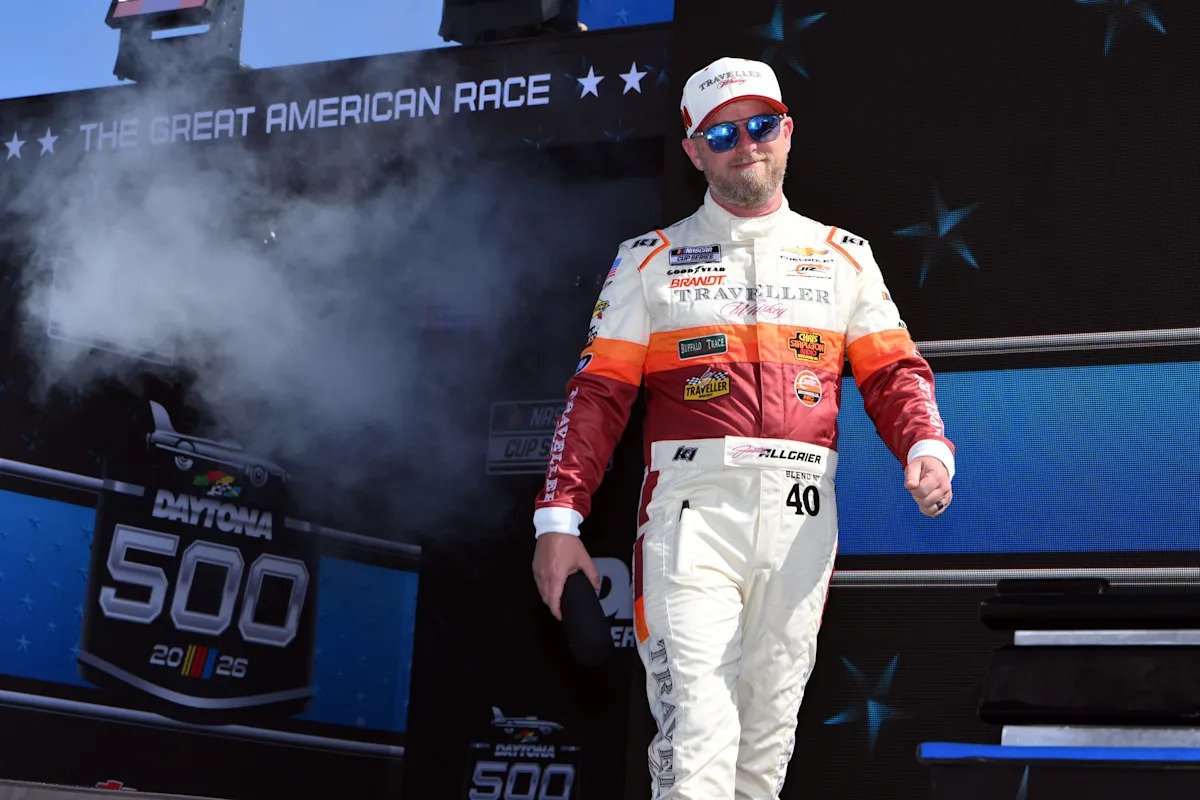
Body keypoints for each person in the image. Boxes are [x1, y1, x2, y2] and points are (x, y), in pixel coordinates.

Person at [531, 56, 954, 799]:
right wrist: (558, 520)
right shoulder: (648, 261)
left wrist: (925, 444)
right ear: (694, 151)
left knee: (763, 754)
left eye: (761, 125)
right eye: (722, 134)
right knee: (698, 734)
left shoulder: (845, 257)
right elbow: (597, 395)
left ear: (786, 132)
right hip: (693, 512)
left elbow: (893, 372)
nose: (746, 144)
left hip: (802, 514)